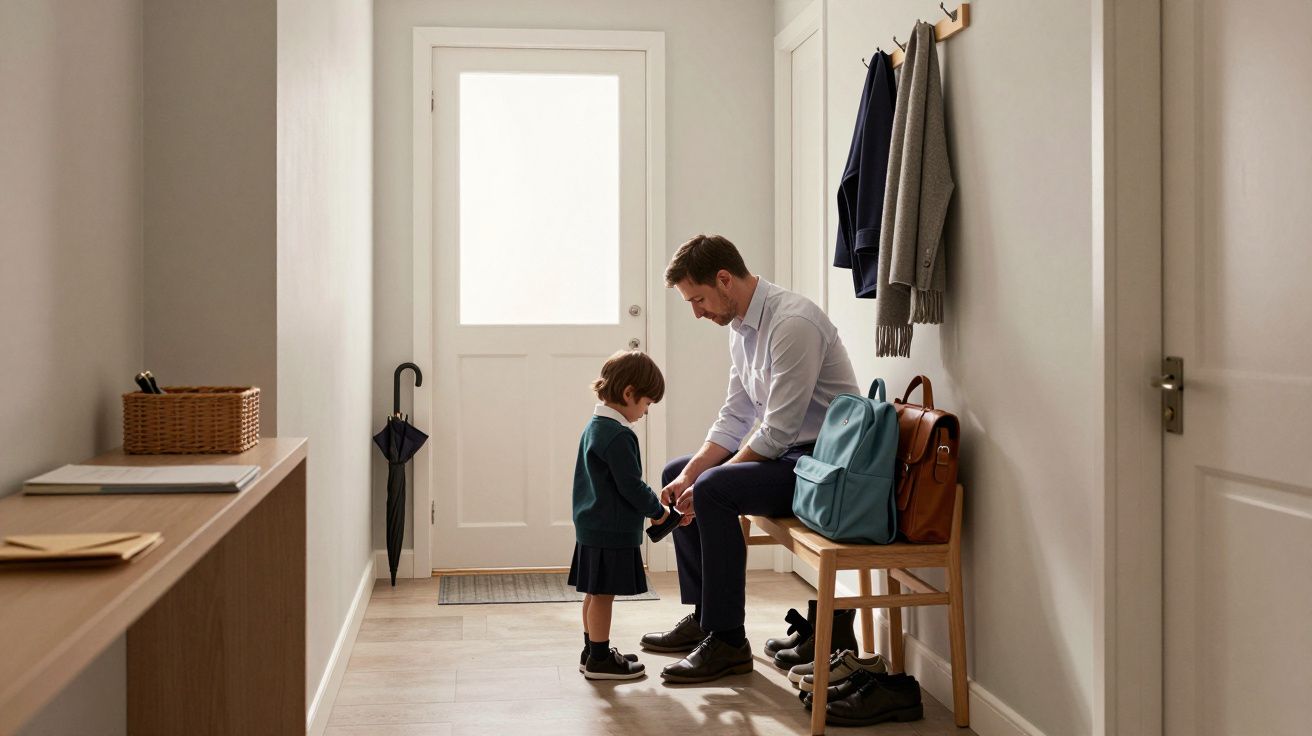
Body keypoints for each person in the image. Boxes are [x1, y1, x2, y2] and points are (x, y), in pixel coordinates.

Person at [642, 234, 858, 684]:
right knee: (678, 476)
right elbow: (735, 417)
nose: (697, 312)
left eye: (698, 299)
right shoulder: (741, 330)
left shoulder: (793, 323)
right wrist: (688, 475)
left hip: (823, 469)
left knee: (714, 489)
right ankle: (705, 617)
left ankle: (727, 641)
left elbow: (777, 431)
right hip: (789, 459)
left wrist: (708, 482)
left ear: (724, 280)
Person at [570, 350, 672, 680]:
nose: (644, 412)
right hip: (610, 530)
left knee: (594, 593)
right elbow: (631, 486)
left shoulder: (595, 426)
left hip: (592, 525)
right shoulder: (618, 435)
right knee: (603, 596)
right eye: (646, 403)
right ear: (629, 393)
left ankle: (592, 651)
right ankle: (599, 660)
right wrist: (658, 512)